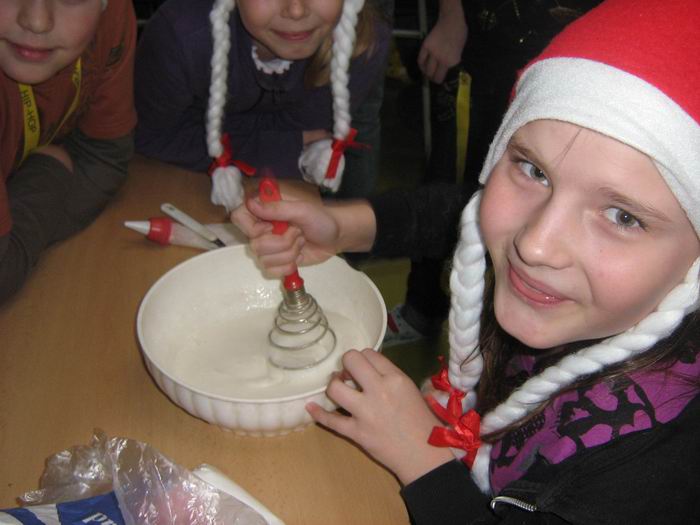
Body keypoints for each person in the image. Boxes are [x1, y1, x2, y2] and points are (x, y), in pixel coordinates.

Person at [233, 0, 700, 522]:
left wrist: (424, 463)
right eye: (533, 170)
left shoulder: (655, 474)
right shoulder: (574, 293)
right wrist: (342, 226)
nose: (535, 245)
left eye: (623, 217)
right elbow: (456, 213)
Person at [387, 0, 602, 348]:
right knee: (454, 180)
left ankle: (502, 342)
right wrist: (451, 15)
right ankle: (423, 308)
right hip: (486, 45)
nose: (534, 249)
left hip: (583, 65)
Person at [133, 0, 390, 212]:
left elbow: (305, 130)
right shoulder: (181, 35)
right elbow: (152, 135)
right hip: (173, 183)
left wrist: (204, 126)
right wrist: (284, 145)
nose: (296, 10)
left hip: (276, 186)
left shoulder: (363, 43)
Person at [0, 0, 137, 304]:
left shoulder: (111, 14)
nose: (37, 21)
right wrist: (48, 172)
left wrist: (18, 241)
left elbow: (104, 159)